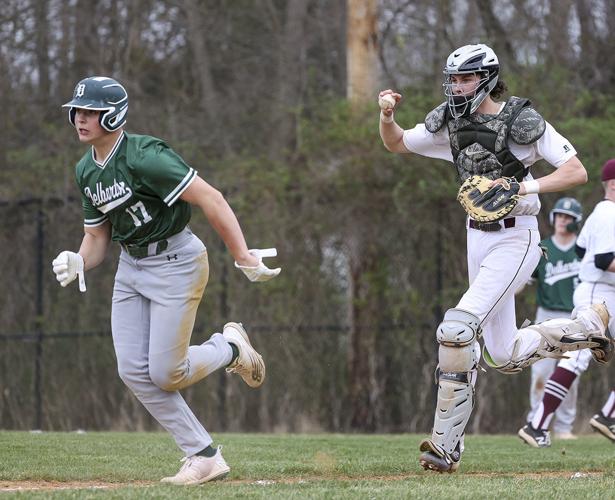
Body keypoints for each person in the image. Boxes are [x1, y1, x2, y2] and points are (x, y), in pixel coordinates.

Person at [378, 43, 612, 473]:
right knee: (502, 355)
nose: (456, 86)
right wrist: (387, 115)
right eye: (452, 78)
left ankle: (447, 447)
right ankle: (587, 327)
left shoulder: (522, 120)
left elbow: (575, 171)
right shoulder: (450, 122)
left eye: (465, 77)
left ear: (486, 77)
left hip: (516, 239)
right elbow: (397, 145)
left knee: (456, 328)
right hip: (476, 238)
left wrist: (524, 188)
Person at [52, 76, 281, 485]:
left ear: (114, 115)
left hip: (177, 261)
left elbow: (211, 197)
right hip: (131, 268)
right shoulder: (86, 169)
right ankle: (203, 455)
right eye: (78, 111)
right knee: (133, 371)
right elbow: (97, 237)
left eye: (91, 112)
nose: (81, 119)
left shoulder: (145, 156)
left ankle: (229, 348)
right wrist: (80, 261)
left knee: (165, 373)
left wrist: (242, 254)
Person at [522, 159, 615, 446]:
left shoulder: (602, 214)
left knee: (577, 356)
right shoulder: (610, 213)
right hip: (597, 294)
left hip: (604, 292)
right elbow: (604, 260)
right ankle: (537, 425)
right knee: (577, 356)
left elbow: (580, 248)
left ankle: (607, 415)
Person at [518, 197, 589, 446]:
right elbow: (523, 282)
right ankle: (537, 424)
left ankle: (564, 426)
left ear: (576, 222)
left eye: (568, 218)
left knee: (569, 374)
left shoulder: (582, 250)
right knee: (541, 373)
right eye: (559, 216)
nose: (562, 221)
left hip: (574, 318)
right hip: (545, 317)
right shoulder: (544, 248)